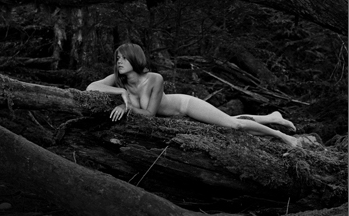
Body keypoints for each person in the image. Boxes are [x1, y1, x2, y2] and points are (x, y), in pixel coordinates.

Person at [86, 43, 299, 148]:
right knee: (229, 122)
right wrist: (121, 91)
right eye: (117, 58)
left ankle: (283, 136)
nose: (119, 62)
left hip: (185, 105)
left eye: (123, 58)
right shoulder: (119, 80)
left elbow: (149, 114)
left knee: (234, 125)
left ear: (135, 59)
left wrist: (126, 106)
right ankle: (271, 117)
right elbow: (91, 87)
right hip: (173, 119)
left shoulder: (154, 79)